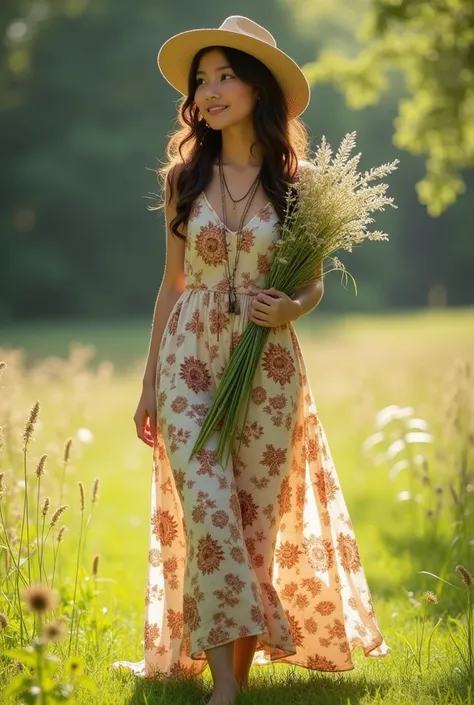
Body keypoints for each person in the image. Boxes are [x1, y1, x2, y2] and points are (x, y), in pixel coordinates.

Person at [114, 15, 390, 705]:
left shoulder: (299, 186)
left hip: (267, 365)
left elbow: (314, 280)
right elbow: (171, 283)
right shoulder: (184, 178)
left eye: (224, 75)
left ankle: (234, 674)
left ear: (257, 86)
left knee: (251, 522)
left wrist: (291, 309)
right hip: (188, 358)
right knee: (209, 512)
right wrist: (149, 381)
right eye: (200, 80)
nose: (208, 90)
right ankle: (224, 687)